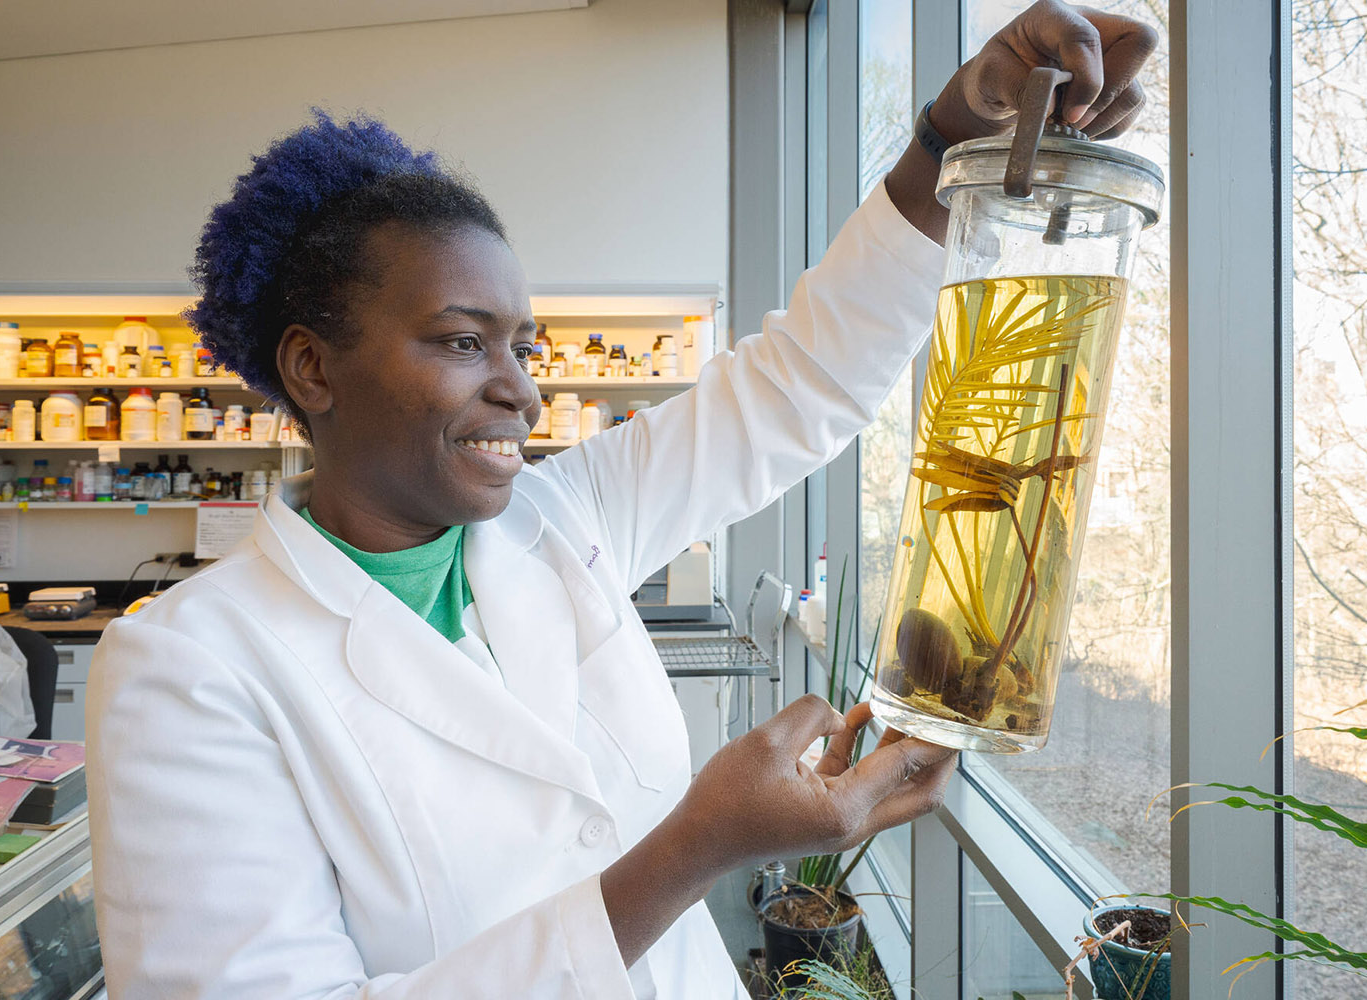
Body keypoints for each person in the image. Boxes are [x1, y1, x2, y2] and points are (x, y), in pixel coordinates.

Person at [86, 2, 1156, 997]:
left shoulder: (561, 519)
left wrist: (949, 135)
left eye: (522, 343)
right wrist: (701, 843)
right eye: (464, 341)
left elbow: (801, 385)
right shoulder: (188, 668)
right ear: (313, 370)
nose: (521, 387)